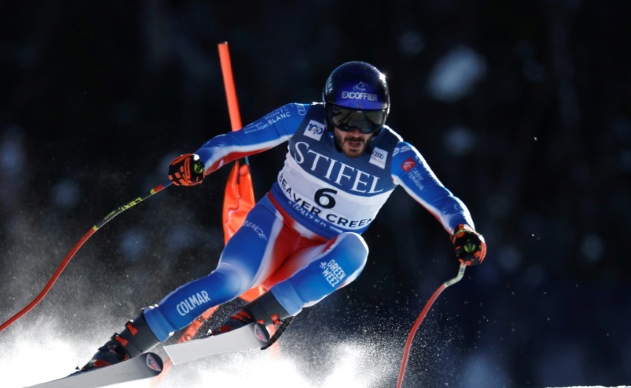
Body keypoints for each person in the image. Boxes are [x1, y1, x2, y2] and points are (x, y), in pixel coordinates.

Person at [79, 61, 487, 371]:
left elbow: (446, 201)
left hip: (320, 255)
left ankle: (259, 316)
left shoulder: (397, 156)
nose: (356, 132)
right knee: (229, 281)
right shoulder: (301, 118)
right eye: (345, 118)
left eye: (369, 120)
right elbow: (234, 143)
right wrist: (199, 163)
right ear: (329, 112)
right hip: (272, 229)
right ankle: (122, 349)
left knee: (356, 250)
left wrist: (463, 232)